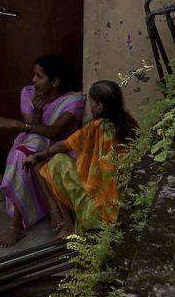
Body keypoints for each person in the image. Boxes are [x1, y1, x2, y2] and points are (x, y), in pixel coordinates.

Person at [0, 54, 85, 247]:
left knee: (32, 152)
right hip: (36, 144)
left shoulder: (73, 101)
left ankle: (52, 214)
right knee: (22, 153)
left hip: (62, 149)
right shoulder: (28, 93)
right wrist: (38, 112)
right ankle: (17, 226)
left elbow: (54, 131)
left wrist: (15, 124)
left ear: (55, 82)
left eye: (39, 76)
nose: (33, 80)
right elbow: (33, 129)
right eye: (34, 75)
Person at [30, 79, 139, 238]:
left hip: (99, 211)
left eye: (91, 103)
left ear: (99, 107)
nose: (90, 107)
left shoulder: (97, 127)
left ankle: (69, 226)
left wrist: (36, 156)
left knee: (57, 162)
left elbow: (63, 146)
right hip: (125, 204)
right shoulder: (130, 123)